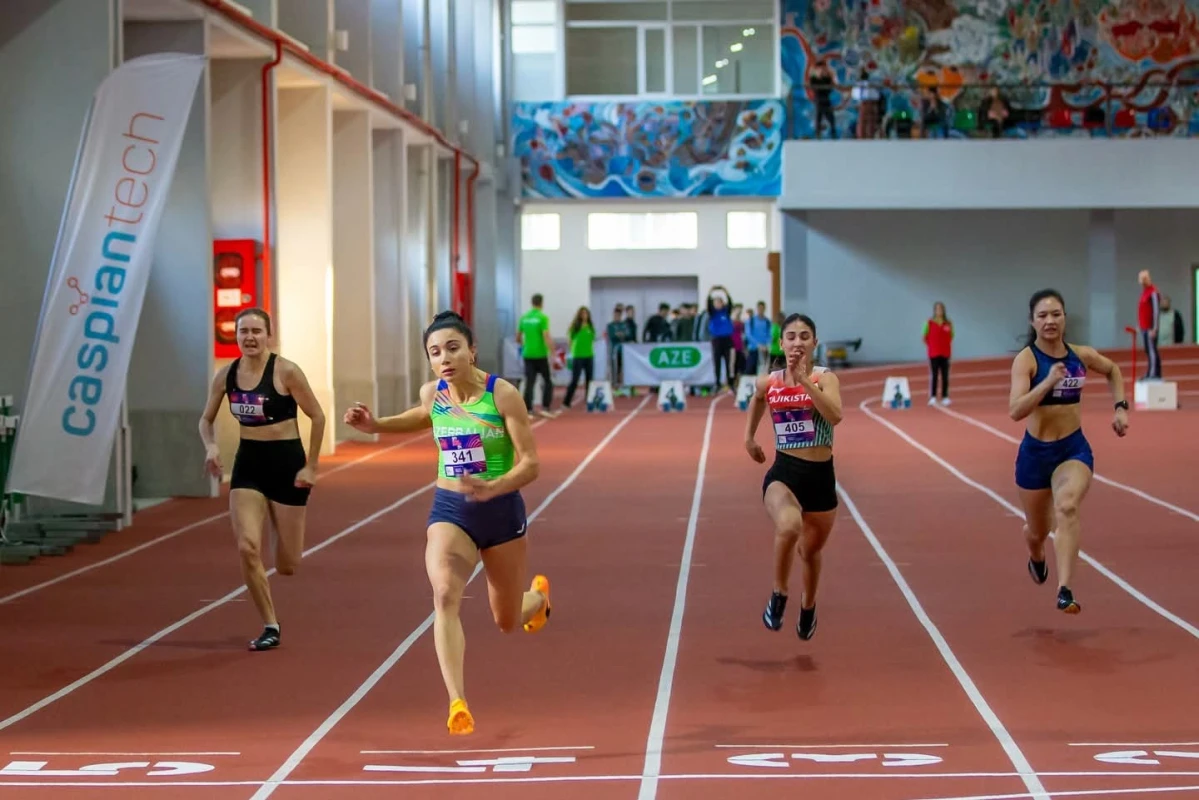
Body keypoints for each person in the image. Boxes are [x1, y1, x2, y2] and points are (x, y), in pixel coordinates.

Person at [343, 310, 551, 736]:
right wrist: (376, 425)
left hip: (501, 511)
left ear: (472, 350)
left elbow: (531, 464)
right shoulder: (432, 394)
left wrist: (495, 486)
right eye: (435, 352)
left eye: (453, 348)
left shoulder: (503, 395)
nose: (444, 359)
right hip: (451, 510)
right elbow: (421, 417)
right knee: (443, 593)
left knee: (507, 620)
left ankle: (537, 602)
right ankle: (458, 701)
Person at [198, 307, 326, 651]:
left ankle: (278, 520)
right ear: (235, 336)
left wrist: (311, 465)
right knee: (246, 548)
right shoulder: (226, 376)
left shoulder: (286, 371)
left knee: (287, 564)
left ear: (269, 335)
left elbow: (317, 416)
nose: (250, 337)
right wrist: (211, 447)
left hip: (287, 464)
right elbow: (205, 419)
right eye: (244, 332)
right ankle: (270, 624)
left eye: (257, 331)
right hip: (249, 465)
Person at [1009, 289, 1128, 615]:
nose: (1050, 320)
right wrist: (1047, 383)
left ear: (1065, 318)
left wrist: (1120, 407)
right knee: (1037, 532)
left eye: (1056, 314)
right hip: (1035, 455)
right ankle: (1036, 554)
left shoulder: (1081, 355)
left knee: (1068, 506)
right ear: (1032, 321)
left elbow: (1113, 370)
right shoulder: (1027, 360)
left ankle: (1065, 589)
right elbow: (1015, 410)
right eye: (1043, 315)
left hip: (1072, 449)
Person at [743, 313, 843, 640]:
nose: (797, 342)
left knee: (810, 553)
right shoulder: (770, 380)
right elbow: (758, 398)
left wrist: (803, 381)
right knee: (789, 525)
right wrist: (749, 438)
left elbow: (835, 415)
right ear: (782, 342)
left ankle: (809, 605)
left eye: (804, 336)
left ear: (815, 342)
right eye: (791, 336)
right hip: (784, 472)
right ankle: (779, 593)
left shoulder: (825, 378)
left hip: (820, 478)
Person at [516, 293, 557, 417]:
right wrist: (552, 351)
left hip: (528, 354)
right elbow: (546, 336)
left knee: (530, 382)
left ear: (532, 303)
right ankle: (545, 406)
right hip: (540, 354)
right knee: (548, 381)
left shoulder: (524, 318)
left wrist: (524, 346)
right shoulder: (542, 318)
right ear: (542, 303)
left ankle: (528, 409)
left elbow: (517, 337)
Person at [563, 305, 595, 408]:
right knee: (575, 380)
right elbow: (569, 339)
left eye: (586, 313)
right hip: (578, 356)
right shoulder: (575, 327)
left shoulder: (590, 326)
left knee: (590, 380)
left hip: (589, 355)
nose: (584, 315)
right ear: (579, 315)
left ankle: (589, 400)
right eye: (582, 313)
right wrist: (573, 350)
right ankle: (566, 402)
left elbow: (593, 338)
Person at [924, 301, 954, 406]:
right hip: (934, 353)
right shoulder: (929, 322)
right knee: (935, 375)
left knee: (945, 375)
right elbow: (925, 336)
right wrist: (932, 346)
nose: (939, 311)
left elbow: (951, 336)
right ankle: (933, 396)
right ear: (934, 311)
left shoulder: (948, 323)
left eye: (941, 309)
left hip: (945, 353)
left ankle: (945, 396)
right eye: (937, 309)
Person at [1137, 270, 1162, 379]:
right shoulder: (1144, 293)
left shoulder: (1153, 292)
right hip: (1144, 327)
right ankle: (1150, 371)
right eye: (1141, 279)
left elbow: (1156, 311)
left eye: (1145, 279)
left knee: (1152, 350)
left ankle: (1154, 373)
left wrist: (1154, 328)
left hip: (1150, 327)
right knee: (1148, 350)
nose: (1143, 281)